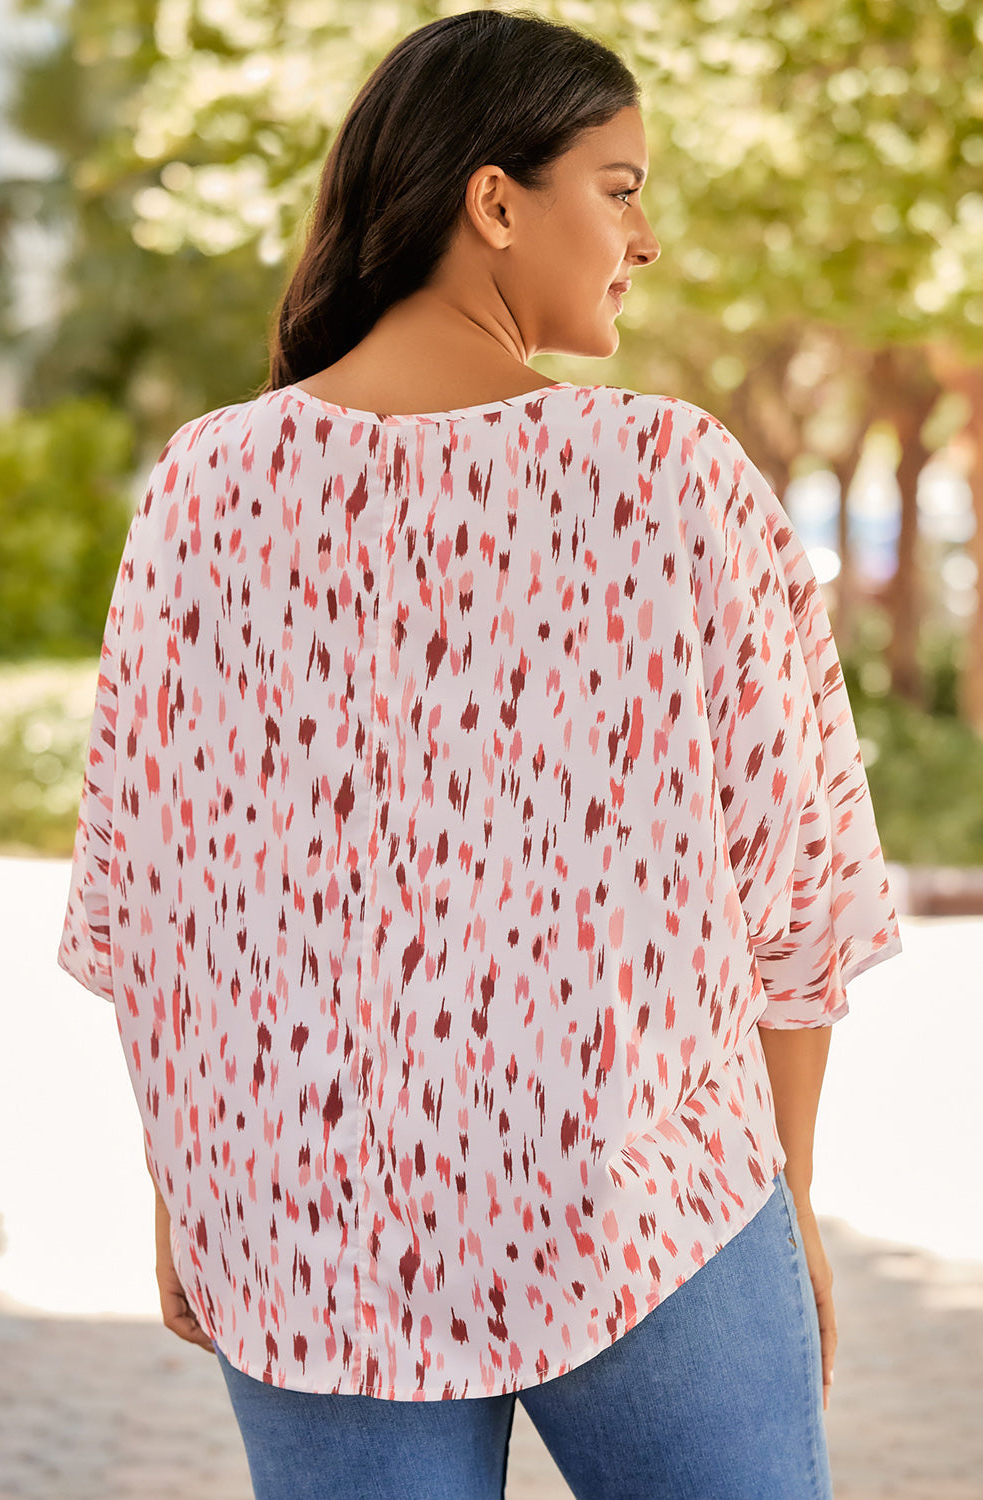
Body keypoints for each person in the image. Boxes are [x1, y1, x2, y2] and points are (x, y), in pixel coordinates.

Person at [57, 9, 902, 1498]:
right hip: (640, 1207)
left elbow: (153, 896)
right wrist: (791, 1193)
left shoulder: (203, 486)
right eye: (620, 188)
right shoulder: (669, 476)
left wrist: (184, 1186)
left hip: (301, 1219)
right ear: (495, 202)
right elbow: (797, 880)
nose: (645, 239)